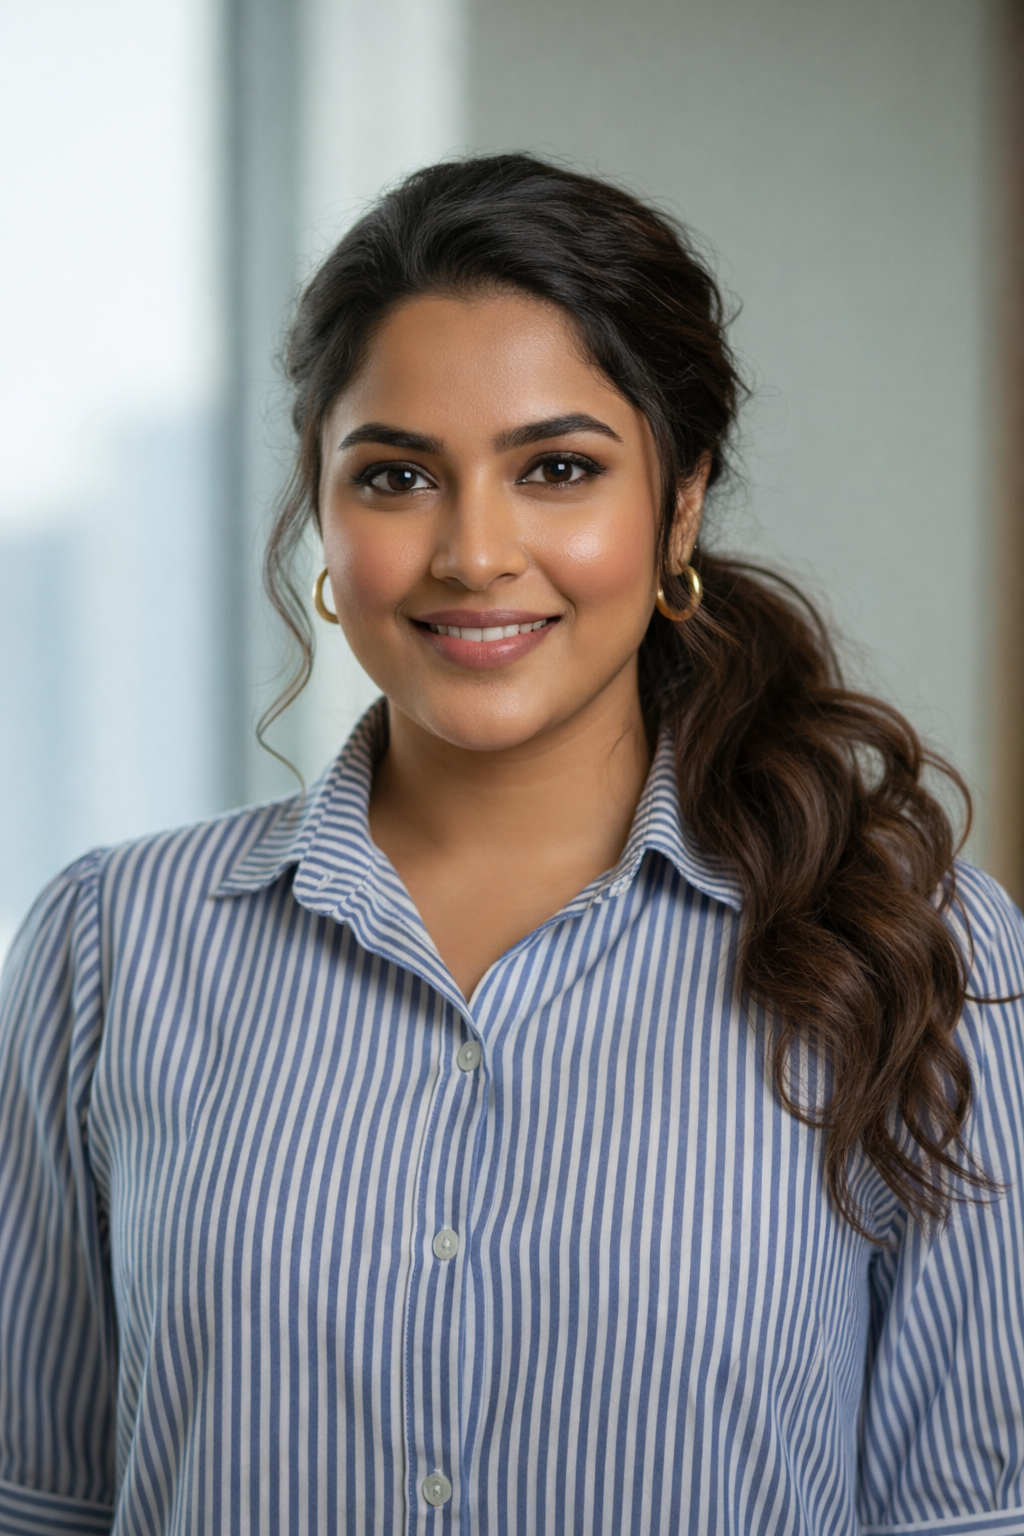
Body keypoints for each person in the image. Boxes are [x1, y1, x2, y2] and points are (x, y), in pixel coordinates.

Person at [1, 154, 1022, 1536]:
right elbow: (40, 1501)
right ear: (322, 511)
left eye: (557, 469)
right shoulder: (109, 948)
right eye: (399, 475)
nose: (474, 552)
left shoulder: (923, 950)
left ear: (678, 507)